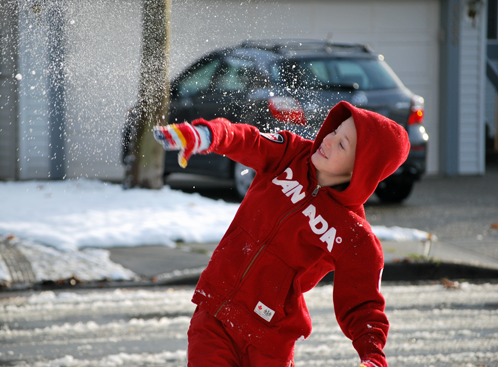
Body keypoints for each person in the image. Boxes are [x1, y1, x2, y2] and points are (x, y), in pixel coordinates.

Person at [153, 101, 410, 367]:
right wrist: (208, 135)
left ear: (360, 169)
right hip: (215, 313)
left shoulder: (352, 234)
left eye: (342, 144)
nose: (329, 140)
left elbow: (364, 304)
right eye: (335, 131)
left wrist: (373, 356)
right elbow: (248, 139)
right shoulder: (289, 154)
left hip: (271, 341)